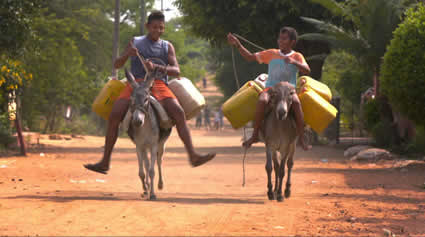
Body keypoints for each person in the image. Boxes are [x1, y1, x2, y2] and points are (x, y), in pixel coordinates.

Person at [84, 11, 215, 174]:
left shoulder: (167, 46)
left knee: (178, 112)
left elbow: (176, 70)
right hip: (136, 84)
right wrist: (127, 54)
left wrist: (157, 67)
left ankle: (193, 155)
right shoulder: (135, 42)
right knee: (115, 114)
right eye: (154, 27)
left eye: (161, 28)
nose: (158, 31)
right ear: (147, 27)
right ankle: (105, 161)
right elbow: (117, 65)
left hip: (159, 84)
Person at [227, 27, 312, 150]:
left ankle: (301, 138)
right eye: (279, 38)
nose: (280, 41)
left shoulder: (297, 56)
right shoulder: (271, 53)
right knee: (262, 101)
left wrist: (294, 62)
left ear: (292, 41)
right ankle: (255, 135)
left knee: (297, 104)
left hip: (289, 91)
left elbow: (307, 70)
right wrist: (238, 45)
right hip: (271, 89)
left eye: (284, 39)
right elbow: (250, 57)